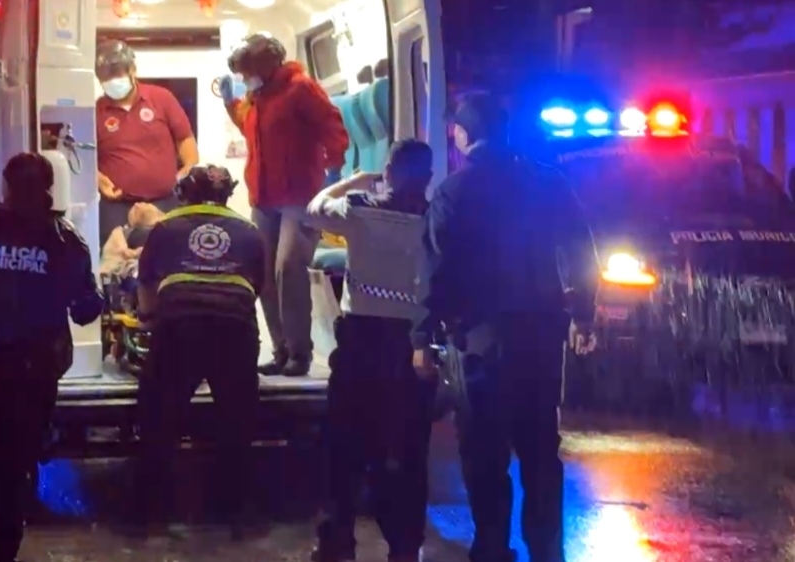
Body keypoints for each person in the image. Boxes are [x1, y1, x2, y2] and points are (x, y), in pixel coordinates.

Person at [411, 92, 599, 562]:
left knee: (484, 451)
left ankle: (493, 546)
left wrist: (422, 336)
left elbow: (436, 267)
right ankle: (547, 550)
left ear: (463, 134)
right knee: (540, 448)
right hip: (541, 335)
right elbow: (581, 248)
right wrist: (583, 313)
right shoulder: (548, 181)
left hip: (480, 340)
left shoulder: (454, 191)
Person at [0, 153, 102, 562]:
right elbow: (85, 308)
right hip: (35, 369)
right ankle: (4, 554)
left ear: (6, 186)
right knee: (18, 461)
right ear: (48, 188)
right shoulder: (64, 239)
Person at [305, 140, 434, 562]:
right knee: (406, 454)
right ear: (428, 178)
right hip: (410, 349)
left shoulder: (358, 210)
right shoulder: (434, 220)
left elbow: (314, 208)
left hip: (359, 345)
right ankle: (404, 546)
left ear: (388, 172)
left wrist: (354, 180)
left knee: (343, 448)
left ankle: (336, 542)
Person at [133, 165, 264, 537]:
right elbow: (256, 287)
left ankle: (152, 508)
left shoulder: (165, 227)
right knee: (236, 419)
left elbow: (146, 284)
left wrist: (148, 320)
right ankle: (233, 507)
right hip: (235, 328)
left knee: (159, 416)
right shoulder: (250, 230)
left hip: (180, 325)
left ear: (184, 194)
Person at [221, 33, 349, 377]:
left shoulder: (300, 88)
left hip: (299, 197)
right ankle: (280, 350)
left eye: (247, 71)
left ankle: (299, 352)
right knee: (264, 273)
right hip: (264, 198)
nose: (245, 78)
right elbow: (251, 129)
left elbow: (332, 126)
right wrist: (230, 104)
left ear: (266, 63)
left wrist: (333, 172)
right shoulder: (257, 95)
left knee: (288, 268)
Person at [95, 39, 199, 247]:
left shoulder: (161, 98)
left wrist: (189, 167)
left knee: (168, 255)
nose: (113, 82)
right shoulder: (96, 111)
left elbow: (185, 138)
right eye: (107, 78)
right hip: (116, 209)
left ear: (132, 70)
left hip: (165, 202)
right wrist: (97, 179)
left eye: (117, 75)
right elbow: (85, 157)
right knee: (115, 260)